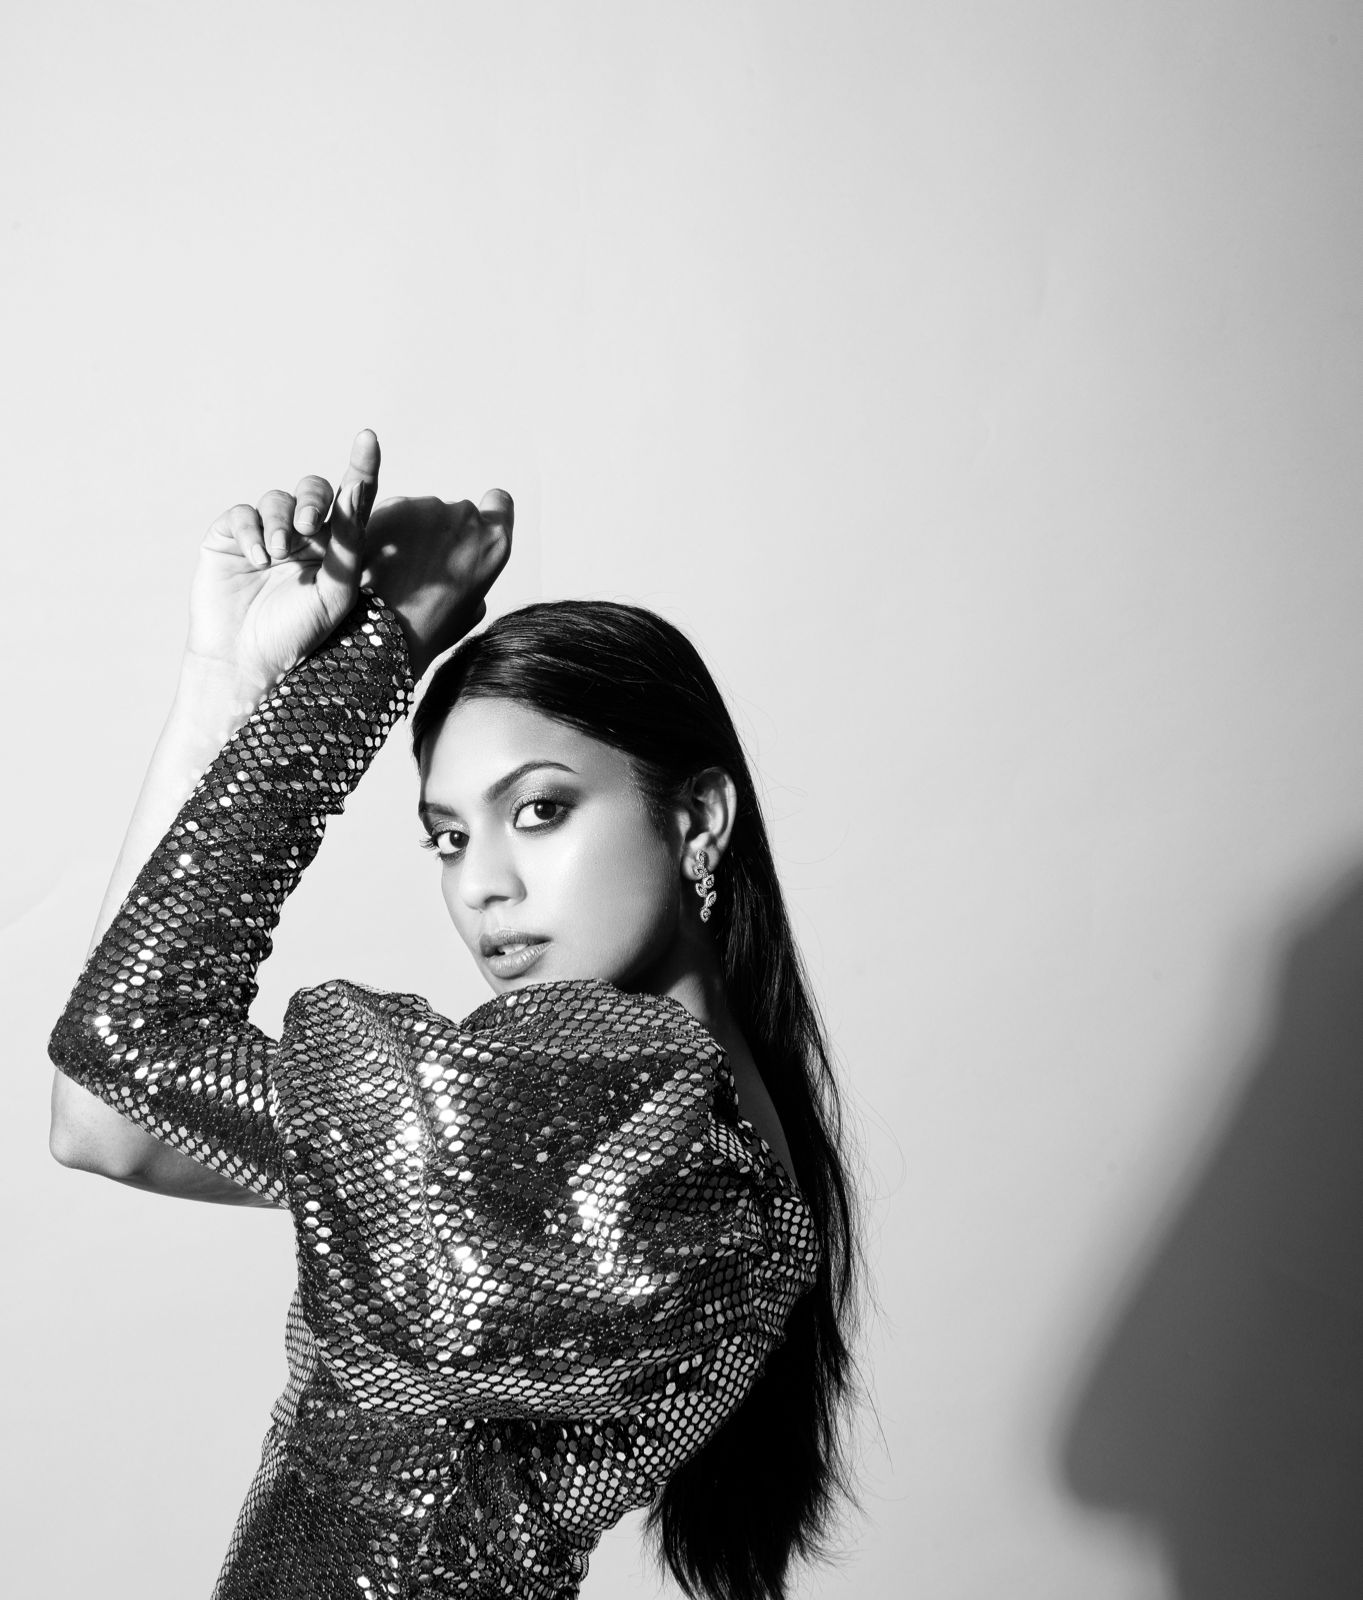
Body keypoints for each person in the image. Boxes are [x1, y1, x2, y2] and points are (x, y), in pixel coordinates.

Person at [47, 431, 862, 1600]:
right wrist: (221, 683)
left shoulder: (647, 1133)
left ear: (695, 822)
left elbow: (130, 1035)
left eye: (538, 811)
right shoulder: (611, 1133)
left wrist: (374, 655)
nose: (481, 884)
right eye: (446, 834)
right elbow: (107, 1121)